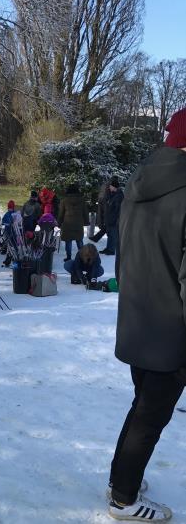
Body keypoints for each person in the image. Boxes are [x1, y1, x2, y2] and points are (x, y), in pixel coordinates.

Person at [107, 107, 186, 522]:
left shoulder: (139, 182)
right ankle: (123, 497)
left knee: (142, 407)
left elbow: (123, 259)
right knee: (150, 416)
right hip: (170, 329)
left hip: (138, 319)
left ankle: (122, 479)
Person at [57, 183, 88, 262]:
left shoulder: (64, 200)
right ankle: (82, 257)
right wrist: (86, 222)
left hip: (67, 224)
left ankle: (68, 257)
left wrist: (59, 222)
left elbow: (61, 213)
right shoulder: (82, 200)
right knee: (79, 241)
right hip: (78, 223)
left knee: (68, 241)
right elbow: (85, 212)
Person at [100, 175, 124, 255]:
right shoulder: (112, 194)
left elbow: (118, 209)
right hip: (110, 219)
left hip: (114, 220)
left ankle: (111, 250)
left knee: (113, 236)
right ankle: (108, 248)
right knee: (109, 235)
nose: (109, 187)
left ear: (114, 187)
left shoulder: (119, 196)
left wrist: (116, 219)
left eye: (111, 186)